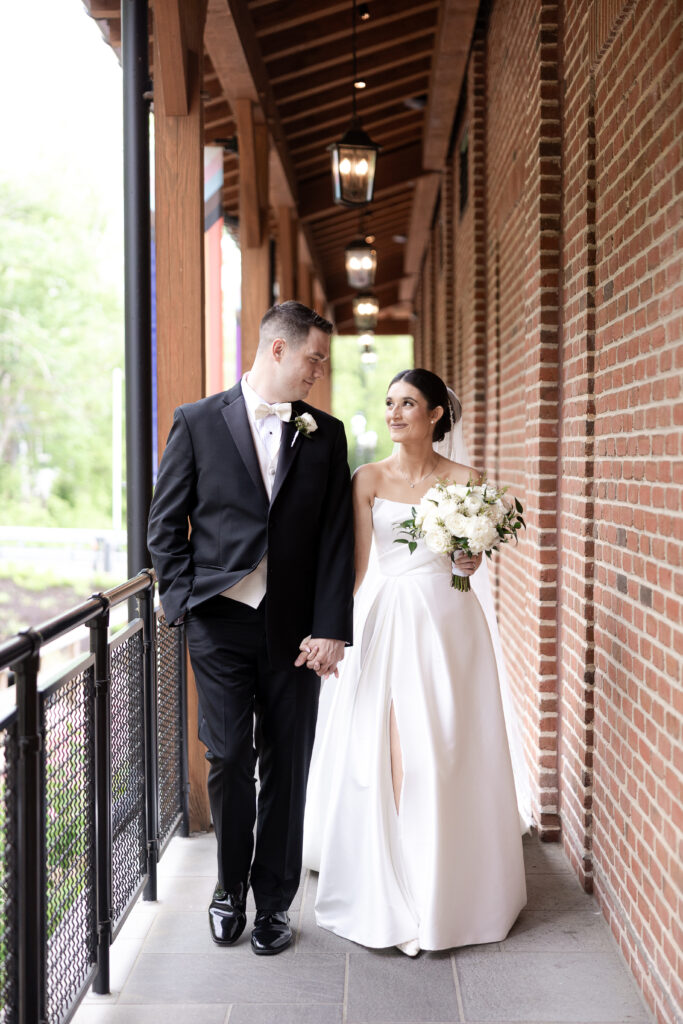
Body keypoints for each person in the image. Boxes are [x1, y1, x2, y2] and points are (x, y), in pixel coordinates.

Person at [148, 301, 354, 956]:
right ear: (276, 350)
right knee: (230, 756)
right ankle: (227, 889)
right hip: (219, 620)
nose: (318, 371)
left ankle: (274, 904)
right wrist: (180, 600)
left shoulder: (326, 432)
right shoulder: (198, 421)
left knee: (287, 764)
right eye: (313, 358)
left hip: (297, 632)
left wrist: (331, 627)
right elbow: (164, 524)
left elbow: (334, 540)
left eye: (323, 361)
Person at [302, 368, 529, 956]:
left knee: (449, 747)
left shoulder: (465, 482)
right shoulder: (367, 479)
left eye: (408, 403)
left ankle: (447, 885)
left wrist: (468, 562)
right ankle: (396, 878)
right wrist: (327, 632)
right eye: (389, 402)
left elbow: (465, 564)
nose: (395, 412)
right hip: (392, 620)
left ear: (435, 415)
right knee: (396, 746)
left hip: (451, 624)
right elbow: (354, 568)